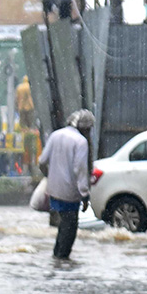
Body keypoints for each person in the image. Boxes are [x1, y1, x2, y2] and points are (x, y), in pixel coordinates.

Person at [39, 109, 94, 261]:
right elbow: (80, 169)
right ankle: (61, 258)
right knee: (69, 228)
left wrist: (49, 176)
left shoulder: (55, 135)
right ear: (85, 128)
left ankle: (56, 258)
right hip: (70, 192)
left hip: (54, 191)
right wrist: (84, 194)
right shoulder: (81, 141)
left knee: (62, 226)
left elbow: (42, 161)